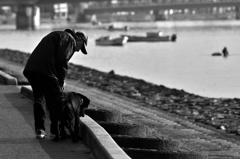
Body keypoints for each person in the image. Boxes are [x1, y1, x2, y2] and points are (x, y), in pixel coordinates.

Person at [23, 28, 88, 139]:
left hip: (32, 69)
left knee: (40, 98)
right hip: (46, 70)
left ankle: (40, 130)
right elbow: (62, 62)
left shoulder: (58, 35)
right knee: (56, 100)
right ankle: (56, 132)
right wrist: (61, 82)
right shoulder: (69, 40)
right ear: (79, 40)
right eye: (80, 48)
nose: (78, 51)